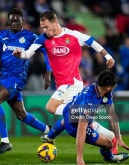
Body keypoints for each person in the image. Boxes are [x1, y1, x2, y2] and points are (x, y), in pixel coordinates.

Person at [13, 10, 118, 153]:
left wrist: (108, 56)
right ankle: (99, 128)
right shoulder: (43, 38)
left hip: (72, 82)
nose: (44, 30)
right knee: (70, 114)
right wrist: (20, 54)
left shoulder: (73, 35)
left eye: (46, 27)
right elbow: (27, 53)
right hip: (63, 84)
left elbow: (92, 42)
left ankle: (83, 120)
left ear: (55, 22)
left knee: (51, 107)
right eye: (42, 27)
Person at [0, 8, 51, 155]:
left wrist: (48, 71)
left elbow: (45, 51)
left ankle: (5, 142)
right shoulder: (2, 35)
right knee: (21, 115)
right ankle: (48, 130)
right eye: (12, 20)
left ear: (22, 21)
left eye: (17, 19)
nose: (15, 22)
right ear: (8, 21)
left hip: (17, 78)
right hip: (5, 79)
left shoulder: (29, 36)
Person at [47, 70, 129, 165]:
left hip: (69, 109)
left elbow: (112, 116)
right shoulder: (89, 101)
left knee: (66, 120)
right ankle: (110, 157)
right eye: (114, 85)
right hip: (74, 125)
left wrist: (119, 138)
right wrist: (80, 158)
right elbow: (81, 129)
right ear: (109, 88)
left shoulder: (102, 90)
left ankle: (49, 136)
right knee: (109, 144)